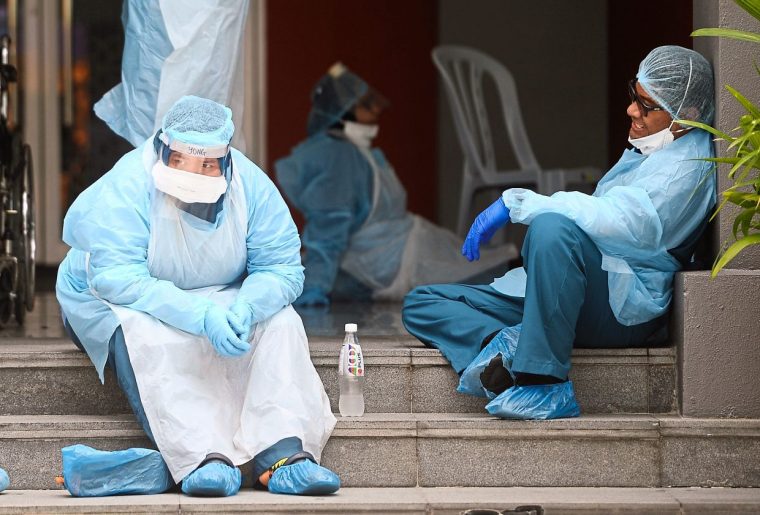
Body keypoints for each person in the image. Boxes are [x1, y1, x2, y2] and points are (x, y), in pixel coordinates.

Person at [402, 46, 716, 420]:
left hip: (620, 306)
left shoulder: (687, 169)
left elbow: (621, 220)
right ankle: (501, 352)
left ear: (688, 114)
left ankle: (543, 381)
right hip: (575, 289)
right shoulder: (656, 151)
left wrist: (521, 204)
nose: (633, 111)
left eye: (648, 106)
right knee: (421, 303)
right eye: (635, 95)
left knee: (552, 228)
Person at [56, 96, 340, 497]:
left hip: (219, 292)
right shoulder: (128, 184)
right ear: (162, 149)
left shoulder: (252, 187)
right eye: (179, 161)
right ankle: (201, 456)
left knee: (281, 321)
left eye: (207, 164)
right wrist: (198, 314)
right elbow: (117, 278)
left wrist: (246, 306)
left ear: (226, 159)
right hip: (112, 296)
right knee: (147, 330)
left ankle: (283, 453)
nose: (193, 174)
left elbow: (281, 269)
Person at [275, 63, 516, 307]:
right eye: (366, 104)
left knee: (490, 271)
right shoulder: (338, 157)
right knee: (492, 278)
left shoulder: (359, 153)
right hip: (384, 266)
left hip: (397, 255)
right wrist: (315, 286)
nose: (376, 109)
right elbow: (328, 228)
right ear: (343, 110)